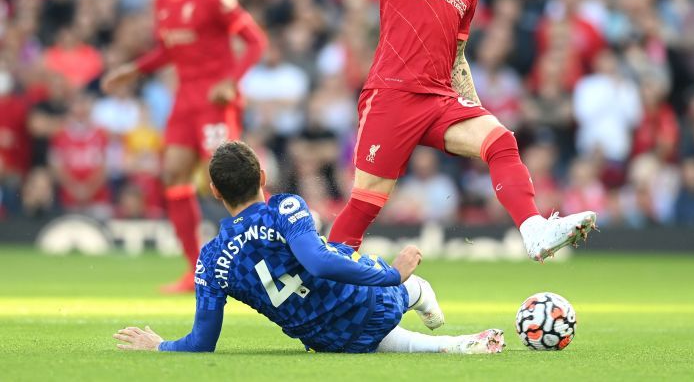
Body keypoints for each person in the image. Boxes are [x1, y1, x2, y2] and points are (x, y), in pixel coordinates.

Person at [332, 0, 596, 261]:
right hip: (393, 93)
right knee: (366, 203)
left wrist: (474, 106)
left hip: (439, 99)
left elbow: (456, 57)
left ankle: (535, 231)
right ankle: (321, 284)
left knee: (501, 140)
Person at [112, 141, 505, 355]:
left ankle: (451, 345)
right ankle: (418, 292)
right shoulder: (285, 207)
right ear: (263, 177)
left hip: (328, 341)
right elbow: (317, 261)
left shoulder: (211, 259)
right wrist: (392, 274)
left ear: (214, 192)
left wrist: (159, 345)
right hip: (372, 301)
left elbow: (202, 343)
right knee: (350, 260)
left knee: (370, 336)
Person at [101, 0, 268, 292]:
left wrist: (231, 81)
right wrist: (135, 69)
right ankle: (196, 272)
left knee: (232, 179)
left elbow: (256, 41)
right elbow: (168, 52)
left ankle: (268, 259)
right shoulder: (162, 1)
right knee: (173, 176)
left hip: (215, 101)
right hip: (184, 102)